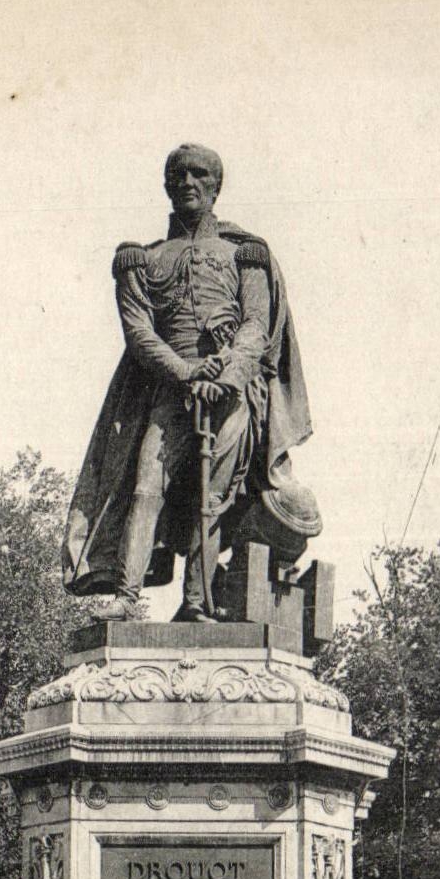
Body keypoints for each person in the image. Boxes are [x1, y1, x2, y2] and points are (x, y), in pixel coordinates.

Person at [63, 144, 315, 621]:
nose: (187, 183)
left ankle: (197, 602)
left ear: (217, 186)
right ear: (166, 185)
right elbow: (139, 333)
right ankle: (127, 597)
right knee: (144, 487)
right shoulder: (141, 259)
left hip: (230, 396)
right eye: (178, 175)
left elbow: (256, 327)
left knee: (214, 497)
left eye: (200, 175)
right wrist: (185, 373)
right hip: (167, 394)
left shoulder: (247, 255)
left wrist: (224, 376)